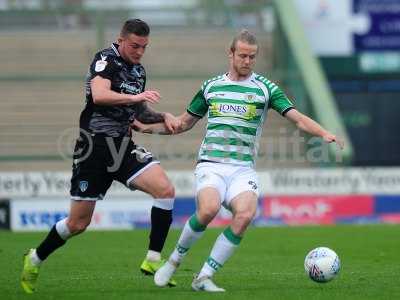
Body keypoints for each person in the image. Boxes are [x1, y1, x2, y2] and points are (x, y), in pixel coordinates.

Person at [133, 29, 344, 292]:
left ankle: (204, 277)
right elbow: (184, 124)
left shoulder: (265, 89)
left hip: (242, 169)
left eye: (252, 57)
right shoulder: (211, 86)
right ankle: (173, 261)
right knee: (208, 210)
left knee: (245, 215)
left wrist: (324, 132)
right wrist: (148, 128)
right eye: (242, 55)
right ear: (230, 53)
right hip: (211, 164)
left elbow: (298, 118)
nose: (247, 61)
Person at [20, 19, 180, 294]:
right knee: (78, 223)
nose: (140, 52)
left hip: (122, 148)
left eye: (144, 47)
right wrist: (135, 98)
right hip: (93, 148)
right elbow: (100, 95)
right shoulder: (106, 59)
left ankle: (153, 259)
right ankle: (35, 258)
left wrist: (163, 116)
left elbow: (140, 114)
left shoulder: (138, 71)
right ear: (121, 40)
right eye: (134, 46)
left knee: (165, 190)